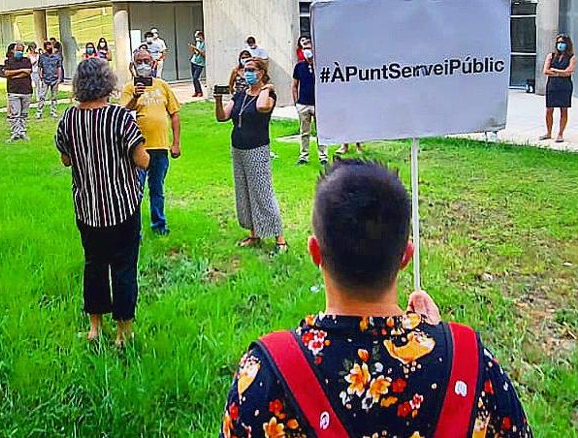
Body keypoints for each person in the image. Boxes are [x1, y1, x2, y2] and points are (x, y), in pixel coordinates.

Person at [220, 160, 531, 438]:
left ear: (315, 252)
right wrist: (443, 345)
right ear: (406, 257)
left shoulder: (265, 375)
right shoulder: (473, 366)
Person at [55, 57, 150, 347]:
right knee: (124, 268)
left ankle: (94, 328)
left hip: (87, 209)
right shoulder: (120, 118)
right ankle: (124, 331)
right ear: (106, 82)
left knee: (94, 265)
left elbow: (65, 159)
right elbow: (142, 159)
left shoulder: (69, 118)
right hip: (122, 207)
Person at [216, 58, 287, 254]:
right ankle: (254, 233)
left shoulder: (268, 94)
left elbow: (262, 108)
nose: (247, 73)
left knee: (263, 193)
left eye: (252, 70)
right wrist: (217, 100)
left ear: (262, 72)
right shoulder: (239, 96)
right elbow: (222, 116)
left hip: (257, 149)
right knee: (244, 192)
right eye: (245, 69)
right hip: (238, 149)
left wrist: (265, 87)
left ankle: (280, 239)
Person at [122, 49, 181, 236]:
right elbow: (122, 113)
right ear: (133, 65)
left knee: (157, 190)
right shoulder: (129, 88)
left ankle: (159, 226)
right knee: (135, 191)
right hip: (137, 148)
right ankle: (133, 230)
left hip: (160, 147)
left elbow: (174, 114)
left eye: (147, 60)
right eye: (139, 61)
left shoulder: (162, 86)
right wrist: (135, 97)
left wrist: (176, 143)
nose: (143, 65)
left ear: (153, 63)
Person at [291, 41, 326, 166]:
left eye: (309, 48)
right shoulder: (299, 66)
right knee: (304, 132)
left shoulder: (320, 65)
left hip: (318, 104)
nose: (307, 50)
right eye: (304, 48)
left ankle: (323, 156)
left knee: (321, 132)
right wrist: (296, 103)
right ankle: (304, 156)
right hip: (303, 104)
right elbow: (295, 85)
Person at [540, 34, 576, 143]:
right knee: (549, 109)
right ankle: (548, 132)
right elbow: (545, 70)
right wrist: (561, 73)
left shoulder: (571, 57)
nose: (560, 45)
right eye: (559, 42)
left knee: (563, 110)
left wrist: (555, 71)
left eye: (563, 43)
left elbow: (569, 71)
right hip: (552, 85)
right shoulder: (551, 56)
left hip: (565, 86)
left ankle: (560, 134)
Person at [1, 42, 34, 140]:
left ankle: (22, 132)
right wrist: (21, 71)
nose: (19, 52)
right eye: (17, 50)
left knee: (24, 114)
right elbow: (7, 73)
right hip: (13, 91)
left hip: (26, 90)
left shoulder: (26, 60)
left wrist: (13, 76)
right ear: (13, 51)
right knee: (15, 113)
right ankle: (15, 132)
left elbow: (28, 72)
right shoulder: (8, 62)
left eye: (21, 50)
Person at [35, 40, 65, 120]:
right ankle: (39, 112)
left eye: (51, 46)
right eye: (48, 47)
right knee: (42, 96)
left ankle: (53, 111)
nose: (50, 48)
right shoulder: (42, 57)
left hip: (55, 79)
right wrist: (40, 75)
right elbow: (39, 67)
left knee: (54, 96)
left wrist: (59, 78)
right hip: (45, 79)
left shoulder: (57, 57)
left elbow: (59, 67)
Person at [188, 30, 206, 98]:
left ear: (201, 36)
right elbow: (197, 53)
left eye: (198, 36)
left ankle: (200, 92)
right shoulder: (198, 42)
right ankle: (196, 91)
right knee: (193, 78)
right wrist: (193, 49)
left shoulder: (205, 43)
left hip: (200, 63)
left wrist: (196, 49)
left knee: (196, 78)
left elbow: (204, 54)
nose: (197, 38)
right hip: (194, 61)